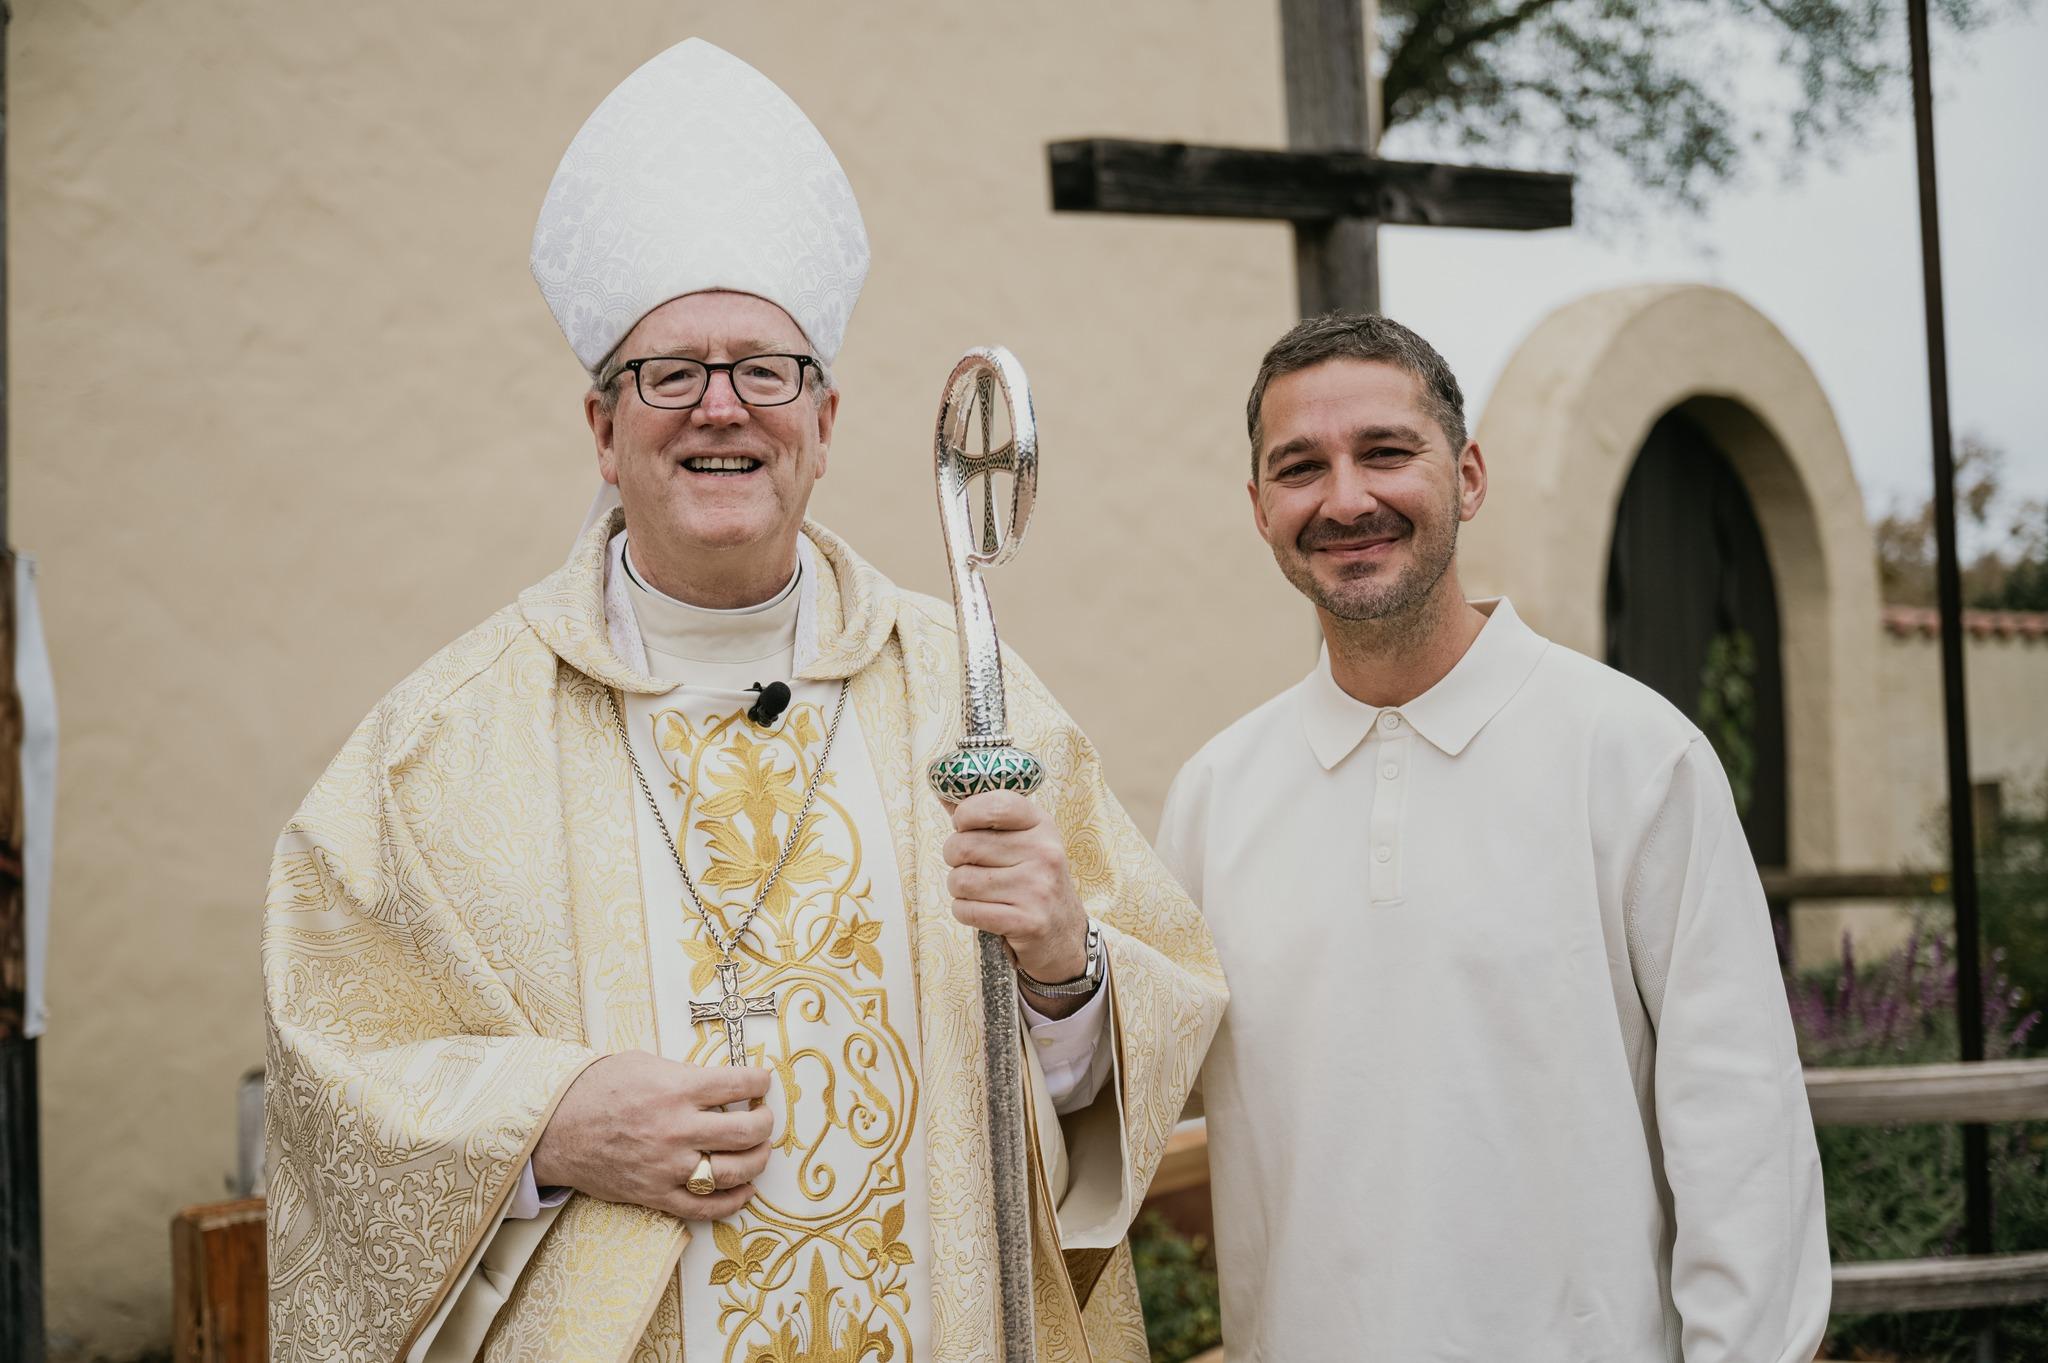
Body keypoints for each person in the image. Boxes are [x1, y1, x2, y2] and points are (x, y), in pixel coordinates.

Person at [262, 39, 1223, 1363]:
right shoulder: (437, 749)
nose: (722, 407)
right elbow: (333, 1076)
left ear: (824, 421)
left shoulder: (977, 705)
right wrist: (543, 1125)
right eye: (672, 372)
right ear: (603, 428)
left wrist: (1066, 970)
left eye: (765, 370)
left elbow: (1131, 1075)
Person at [1155, 313, 1829, 1361]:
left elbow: (1740, 1135)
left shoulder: (1632, 757)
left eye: (1385, 451)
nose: (1344, 498)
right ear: (1258, 509)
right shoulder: (1214, 794)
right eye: (1300, 467)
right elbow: (1124, 1090)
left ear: (1465, 475)